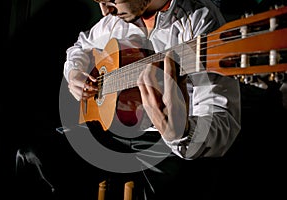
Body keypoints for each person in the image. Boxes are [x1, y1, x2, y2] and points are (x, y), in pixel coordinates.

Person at [60, 0, 242, 199]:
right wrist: (74, 72)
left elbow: (223, 122)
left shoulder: (199, 18)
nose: (105, 12)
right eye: (99, 2)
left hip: (165, 145)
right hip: (110, 129)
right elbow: (81, 45)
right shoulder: (114, 21)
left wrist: (181, 133)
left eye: (111, 0)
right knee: (34, 155)